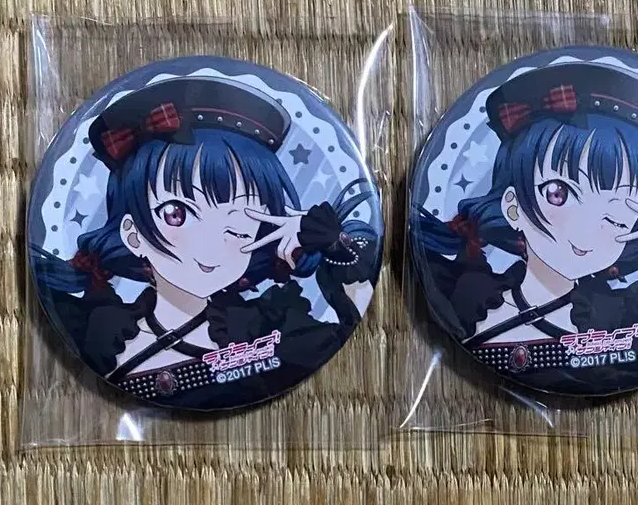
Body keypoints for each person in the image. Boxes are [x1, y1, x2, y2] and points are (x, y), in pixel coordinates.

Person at [30, 76, 381, 409]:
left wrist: (334, 244)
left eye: (240, 219)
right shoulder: (100, 329)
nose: (211, 245)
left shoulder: (267, 328)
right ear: (133, 234)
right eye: (176, 214)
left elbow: (348, 320)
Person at [412, 61, 638, 394]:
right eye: (558, 193)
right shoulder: (468, 296)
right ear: (513, 206)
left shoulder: (634, 318)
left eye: (619, 209)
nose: (586, 229)